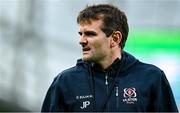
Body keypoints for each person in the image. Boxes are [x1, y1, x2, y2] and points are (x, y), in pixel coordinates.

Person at [41, 4, 178, 112]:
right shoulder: (65, 82)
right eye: (80, 34)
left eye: (90, 34)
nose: (81, 41)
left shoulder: (151, 78)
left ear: (115, 38)